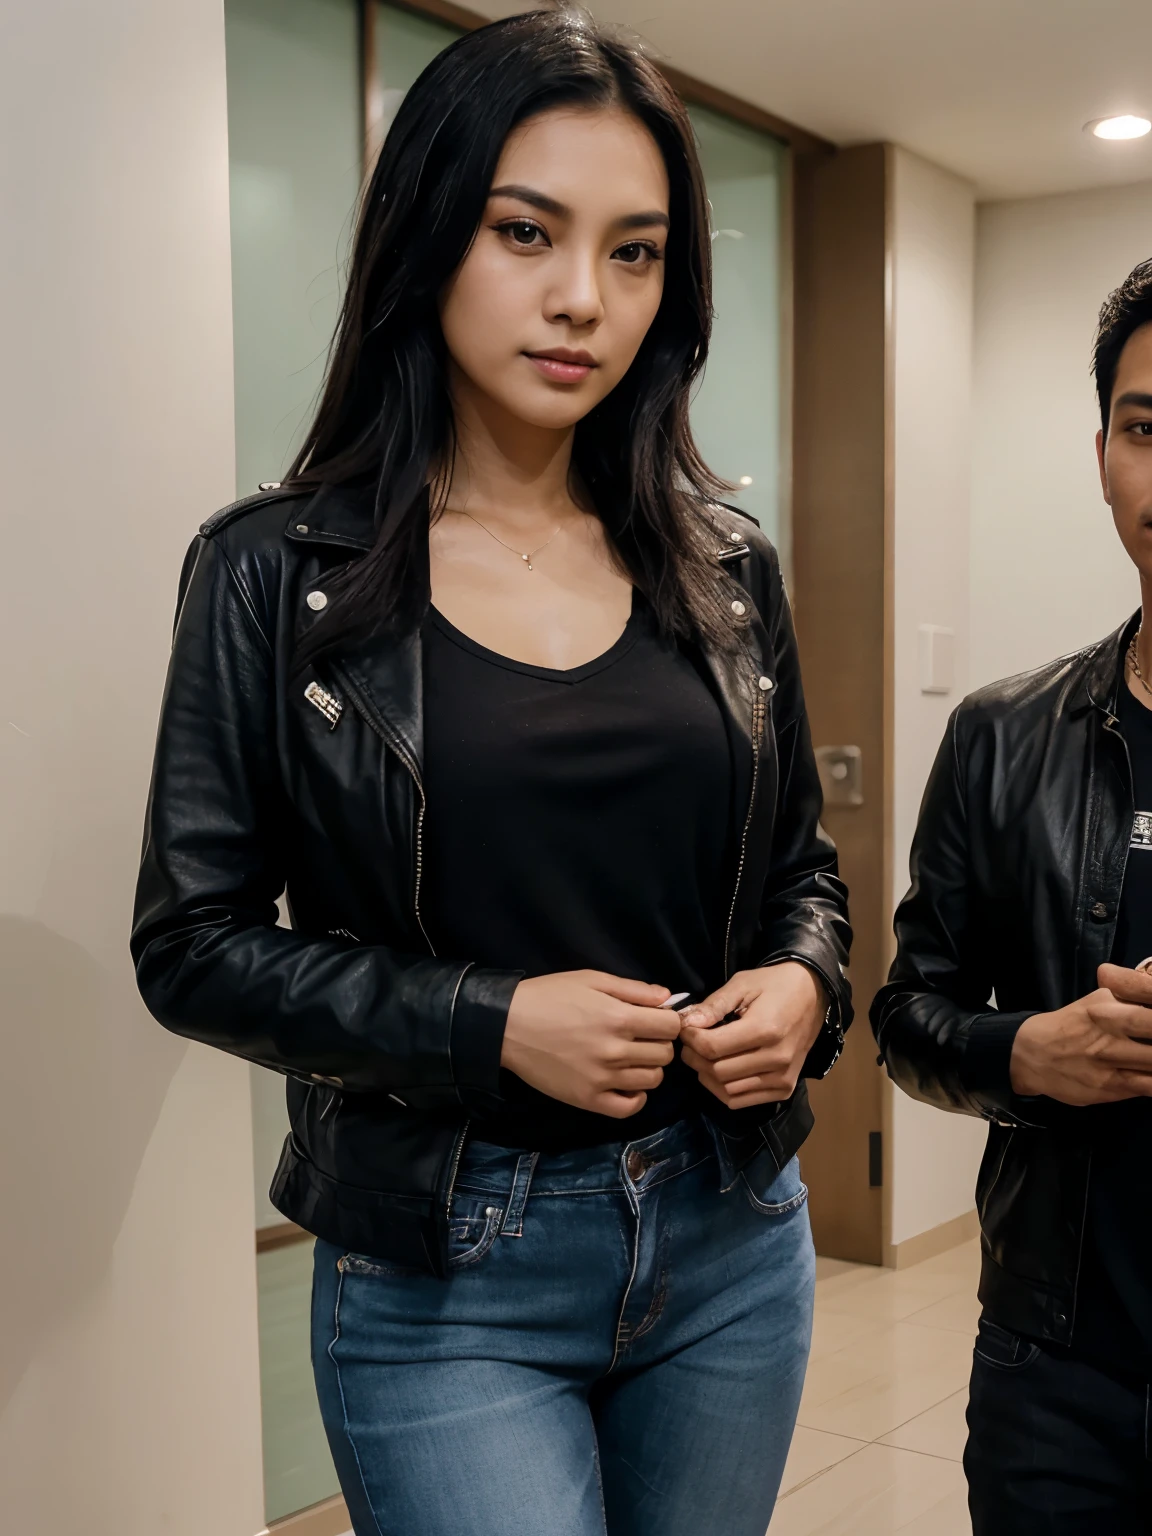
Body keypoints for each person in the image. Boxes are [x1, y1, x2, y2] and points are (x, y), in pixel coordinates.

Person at [131, 11, 851, 1536]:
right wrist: (488, 1021)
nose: (583, 298)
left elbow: (799, 876)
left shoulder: (728, 566)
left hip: (729, 1231)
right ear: (427, 234)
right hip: (444, 1266)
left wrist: (802, 988)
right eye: (527, 231)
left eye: (638, 253)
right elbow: (191, 948)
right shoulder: (274, 573)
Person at [873, 256, 1152, 1532]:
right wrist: (1026, 1054)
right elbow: (907, 1016)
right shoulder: (1002, 737)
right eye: (1150, 431)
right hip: (1056, 1370)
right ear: (1103, 451)